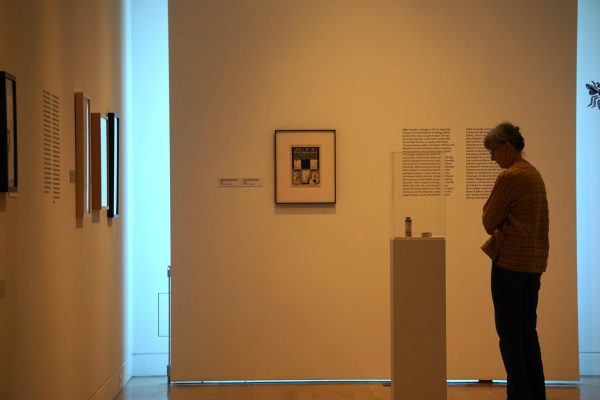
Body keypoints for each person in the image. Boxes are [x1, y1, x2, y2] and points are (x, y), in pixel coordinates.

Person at [482, 122, 549, 400]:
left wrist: (500, 227)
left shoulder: (511, 177)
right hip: (532, 265)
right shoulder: (534, 174)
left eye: (493, 151)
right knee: (527, 333)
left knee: (510, 336)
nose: (492, 158)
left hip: (509, 265)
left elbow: (488, 220)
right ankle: (535, 393)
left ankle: (518, 395)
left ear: (507, 147)